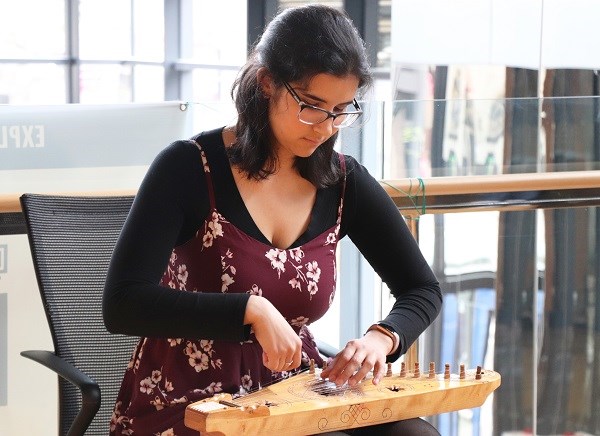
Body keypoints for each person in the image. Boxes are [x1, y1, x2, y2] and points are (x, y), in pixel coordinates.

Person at [103, 4, 442, 435]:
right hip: (191, 400)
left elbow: (422, 289)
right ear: (267, 82)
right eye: (312, 105)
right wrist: (250, 309)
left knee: (414, 434)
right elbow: (122, 304)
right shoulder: (189, 168)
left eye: (342, 110)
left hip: (291, 392)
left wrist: (382, 337)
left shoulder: (342, 181)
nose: (325, 127)